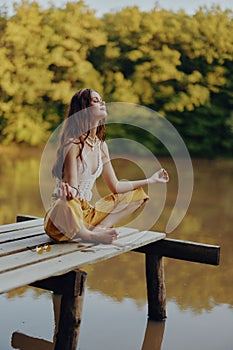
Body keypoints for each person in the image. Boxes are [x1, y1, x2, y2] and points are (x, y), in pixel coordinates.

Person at [44, 88, 169, 244]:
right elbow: (73, 188)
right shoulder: (73, 144)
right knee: (67, 202)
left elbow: (115, 186)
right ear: (84, 109)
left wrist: (150, 180)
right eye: (96, 101)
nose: (102, 102)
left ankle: (99, 229)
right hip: (62, 218)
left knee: (137, 195)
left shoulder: (101, 146)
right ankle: (87, 236)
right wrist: (67, 193)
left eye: (101, 99)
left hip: (85, 215)